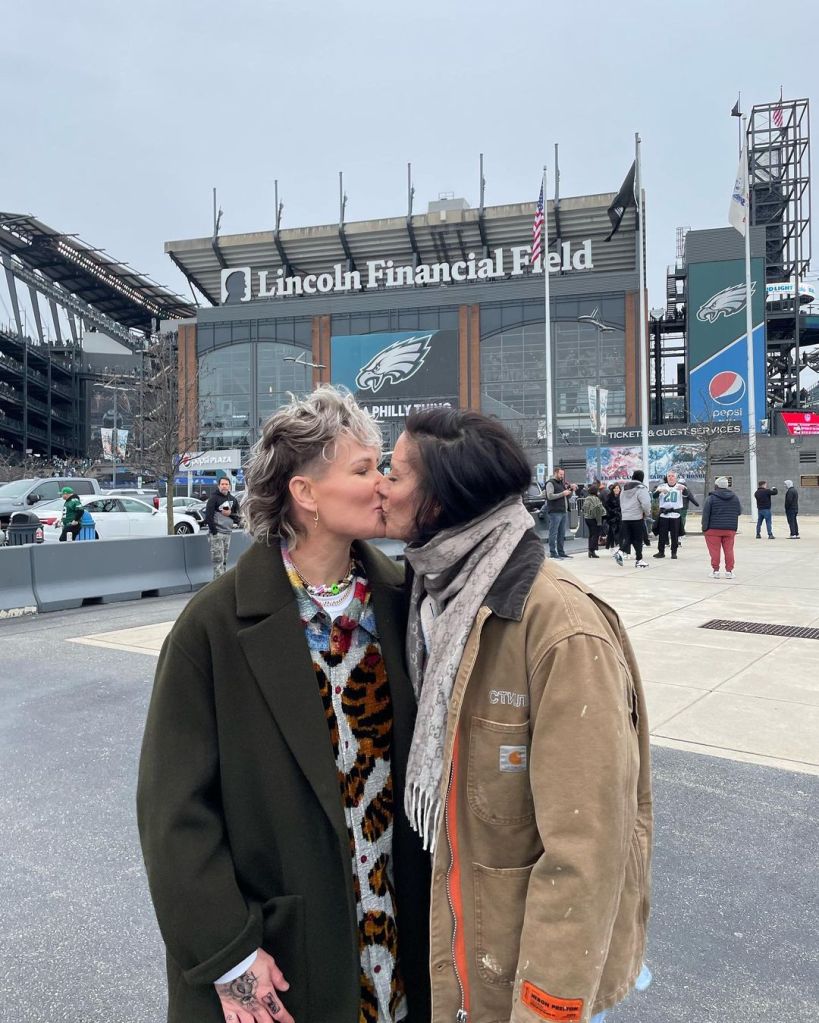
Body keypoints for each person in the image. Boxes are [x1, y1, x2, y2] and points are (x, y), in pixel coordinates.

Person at [137, 387, 431, 1023]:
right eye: (363, 469)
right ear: (306, 494)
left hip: (401, 951)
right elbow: (174, 811)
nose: (383, 484)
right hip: (284, 959)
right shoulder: (212, 628)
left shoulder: (406, 602)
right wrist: (229, 954)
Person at [376, 409, 652, 1023]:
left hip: (529, 986)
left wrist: (546, 1006)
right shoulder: (432, 598)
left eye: (393, 473)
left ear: (441, 497)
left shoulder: (559, 627)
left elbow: (587, 848)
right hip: (462, 963)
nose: (379, 487)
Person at [701, 476, 741, 579]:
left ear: (716, 486)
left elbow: (706, 514)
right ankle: (729, 571)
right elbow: (739, 511)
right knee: (729, 550)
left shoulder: (711, 498)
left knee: (714, 551)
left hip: (713, 529)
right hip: (730, 529)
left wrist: (704, 528)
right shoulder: (735, 497)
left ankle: (715, 571)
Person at [204, 477, 241, 579]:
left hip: (227, 533)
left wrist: (230, 514)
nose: (224, 486)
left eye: (226, 484)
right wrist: (214, 532)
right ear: (218, 486)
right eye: (222, 484)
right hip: (217, 534)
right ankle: (217, 585)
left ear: (229, 486)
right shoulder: (214, 498)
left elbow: (238, 516)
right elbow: (208, 516)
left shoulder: (233, 499)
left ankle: (222, 584)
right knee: (218, 561)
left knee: (224, 561)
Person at [614, 470, 651, 568]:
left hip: (625, 517)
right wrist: (646, 513)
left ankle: (623, 552)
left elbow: (621, 502)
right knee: (638, 539)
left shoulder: (624, 488)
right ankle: (637, 559)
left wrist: (625, 512)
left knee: (629, 538)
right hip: (637, 517)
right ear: (642, 478)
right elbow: (646, 503)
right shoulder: (641, 488)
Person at [652, 471, 692, 560]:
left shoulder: (680, 486)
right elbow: (654, 496)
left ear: (676, 478)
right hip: (664, 514)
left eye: (672, 476)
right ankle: (661, 552)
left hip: (675, 514)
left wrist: (684, 489)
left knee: (675, 535)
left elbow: (687, 495)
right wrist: (659, 491)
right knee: (662, 534)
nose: (671, 477)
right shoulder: (662, 486)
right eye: (669, 476)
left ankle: (674, 552)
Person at [544, 466, 577, 560]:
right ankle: (553, 553)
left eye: (563, 474)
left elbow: (566, 497)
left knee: (562, 533)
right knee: (553, 533)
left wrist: (571, 491)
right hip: (554, 511)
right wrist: (562, 493)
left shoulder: (561, 483)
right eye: (560, 474)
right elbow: (550, 496)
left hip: (563, 511)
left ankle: (561, 552)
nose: (562, 476)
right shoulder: (550, 483)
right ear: (556, 473)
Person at [582, 482, 606, 558]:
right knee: (595, 535)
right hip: (594, 519)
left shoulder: (587, 498)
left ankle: (590, 550)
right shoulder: (596, 499)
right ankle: (592, 550)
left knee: (591, 535)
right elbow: (598, 510)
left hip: (587, 518)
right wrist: (599, 521)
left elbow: (583, 508)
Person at [603, 482, 622, 549]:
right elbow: (606, 505)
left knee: (618, 531)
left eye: (618, 488)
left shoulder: (621, 496)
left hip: (619, 516)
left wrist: (619, 511)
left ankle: (617, 545)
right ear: (613, 489)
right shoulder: (609, 496)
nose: (617, 489)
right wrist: (612, 511)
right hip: (612, 516)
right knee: (612, 531)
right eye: (615, 488)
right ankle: (612, 545)